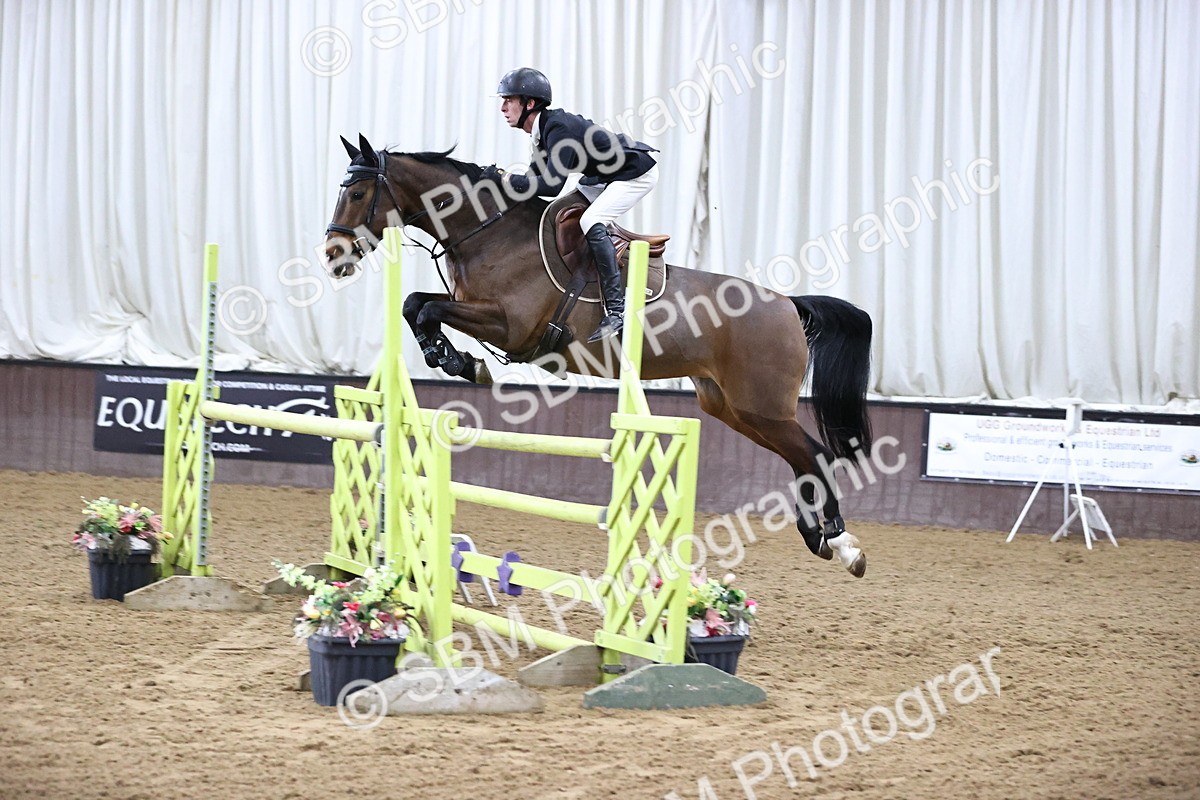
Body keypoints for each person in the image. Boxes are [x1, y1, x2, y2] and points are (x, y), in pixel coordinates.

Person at [493, 67, 659, 342]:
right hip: (601, 176)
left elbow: (550, 185)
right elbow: (536, 183)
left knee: (590, 220)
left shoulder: (558, 129)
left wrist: (505, 178)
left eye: (509, 100)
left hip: (635, 171)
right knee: (559, 212)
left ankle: (617, 311)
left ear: (529, 103)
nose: (502, 107)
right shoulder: (541, 133)